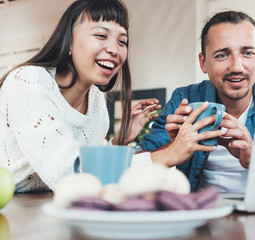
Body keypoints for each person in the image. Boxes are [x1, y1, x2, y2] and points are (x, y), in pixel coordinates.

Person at [0, 0, 160, 193]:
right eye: (101, 35)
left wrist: (118, 141)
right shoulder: (27, 81)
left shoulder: (96, 103)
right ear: (68, 42)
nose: (114, 50)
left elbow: (87, 169)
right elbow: (69, 173)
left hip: (42, 206)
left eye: (122, 41)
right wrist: (163, 158)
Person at [137, 11, 255, 193]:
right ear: (203, 62)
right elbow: (136, 165)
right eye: (222, 55)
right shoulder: (185, 99)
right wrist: (175, 147)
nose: (237, 67)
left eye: (247, 53)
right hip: (202, 213)